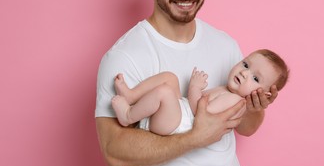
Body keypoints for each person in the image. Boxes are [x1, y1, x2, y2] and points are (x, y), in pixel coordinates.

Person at [95, 0, 279, 166]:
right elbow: (114, 151)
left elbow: (246, 128)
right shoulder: (123, 57)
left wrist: (254, 108)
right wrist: (194, 138)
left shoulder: (227, 46)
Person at [111, 49, 289, 136]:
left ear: (263, 95)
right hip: (180, 113)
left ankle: (128, 116)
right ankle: (132, 95)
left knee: (165, 92)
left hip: (178, 125)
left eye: (255, 79)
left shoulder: (235, 102)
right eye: (245, 64)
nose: (244, 73)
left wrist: (195, 88)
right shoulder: (227, 91)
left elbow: (201, 115)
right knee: (170, 78)